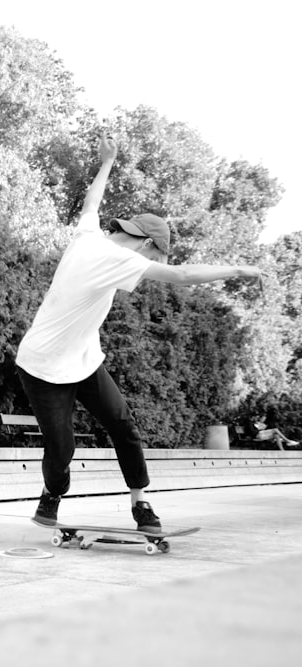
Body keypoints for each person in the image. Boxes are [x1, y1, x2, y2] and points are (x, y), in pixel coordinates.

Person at [17, 133, 265, 533]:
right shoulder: (111, 257)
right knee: (62, 447)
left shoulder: (88, 234)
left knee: (123, 424)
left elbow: (90, 202)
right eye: (152, 258)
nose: (148, 267)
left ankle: (141, 503)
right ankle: (52, 496)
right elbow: (181, 276)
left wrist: (107, 162)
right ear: (146, 244)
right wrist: (238, 270)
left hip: (82, 359)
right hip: (43, 364)